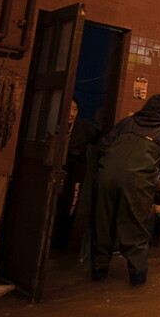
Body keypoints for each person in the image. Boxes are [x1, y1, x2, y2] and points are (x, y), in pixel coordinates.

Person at [91, 95, 160, 286]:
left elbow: (104, 146)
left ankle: (98, 273)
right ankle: (137, 281)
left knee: (102, 225)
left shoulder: (127, 122)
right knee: (135, 229)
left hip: (105, 178)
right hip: (136, 183)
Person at [51, 98, 100, 251]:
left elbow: (101, 137)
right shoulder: (53, 124)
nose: (72, 113)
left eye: (75, 109)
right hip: (56, 169)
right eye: (69, 109)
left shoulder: (83, 126)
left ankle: (60, 244)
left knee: (71, 204)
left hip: (76, 171)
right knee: (53, 203)